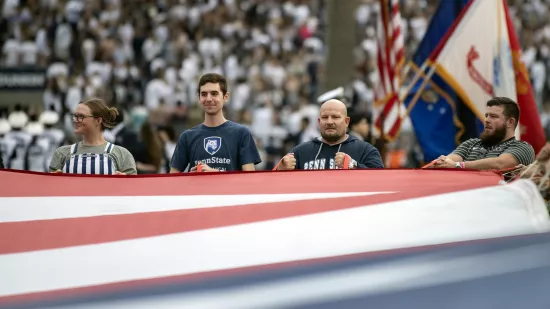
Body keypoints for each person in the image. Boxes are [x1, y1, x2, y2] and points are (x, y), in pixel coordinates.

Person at [170, 73, 261, 172]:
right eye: (204, 94)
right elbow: (173, 180)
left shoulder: (242, 133)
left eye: (214, 93)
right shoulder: (186, 137)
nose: (208, 99)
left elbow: (250, 179)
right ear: (199, 98)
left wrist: (215, 174)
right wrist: (190, 178)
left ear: (225, 97)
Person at [276, 99, 384, 170]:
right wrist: (280, 170)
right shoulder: (299, 152)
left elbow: (381, 181)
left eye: (335, 117)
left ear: (346, 122)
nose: (329, 122)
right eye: (324, 117)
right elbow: (272, 185)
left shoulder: (366, 151)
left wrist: (352, 165)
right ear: (319, 122)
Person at [433, 97, 535, 170]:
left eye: (493, 116)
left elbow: (500, 163)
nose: (486, 120)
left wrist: (458, 165)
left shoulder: (523, 147)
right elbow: (448, 162)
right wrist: (443, 162)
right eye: (487, 115)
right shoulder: (471, 144)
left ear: (510, 122)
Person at [49, 97, 137, 175]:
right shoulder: (61, 154)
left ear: (98, 120)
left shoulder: (122, 154)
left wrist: (124, 182)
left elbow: (134, 191)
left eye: (81, 116)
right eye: (75, 116)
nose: (75, 120)